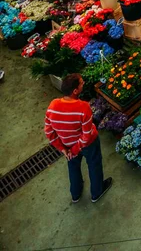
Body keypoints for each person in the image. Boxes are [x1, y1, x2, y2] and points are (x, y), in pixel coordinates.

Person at [44, 73, 112, 203]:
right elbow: (86, 134)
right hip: (88, 144)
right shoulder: (83, 107)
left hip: (67, 145)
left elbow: (49, 132)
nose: (84, 84)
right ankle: (97, 192)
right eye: (81, 83)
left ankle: (75, 194)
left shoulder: (53, 106)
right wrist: (76, 149)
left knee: (73, 167)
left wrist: (64, 149)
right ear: (75, 91)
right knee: (94, 164)